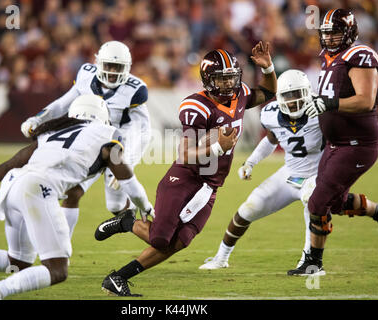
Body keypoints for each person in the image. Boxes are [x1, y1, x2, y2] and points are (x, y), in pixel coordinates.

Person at [94, 43, 278, 296]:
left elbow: (268, 93)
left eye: (231, 78)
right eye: (221, 80)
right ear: (207, 80)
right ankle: (128, 223)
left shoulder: (240, 95)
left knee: (182, 240)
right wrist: (216, 149)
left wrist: (268, 67)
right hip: (184, 179)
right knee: (160, 239)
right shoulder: (196, 107)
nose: (228, 85)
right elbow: (185, 155)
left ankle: (117, 278)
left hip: (211, 185)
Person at [0, 95, 154, 300]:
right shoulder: (107, 133)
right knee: (57, 270)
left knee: (18, 261)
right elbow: (128, 180)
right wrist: (144, 207)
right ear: (102, 116)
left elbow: (8, 165)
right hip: (37, 189)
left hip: (13, 185)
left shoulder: (51, 134)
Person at [288, 9, 378, 276]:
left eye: (336, 33)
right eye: (327, 33)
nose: (330, 38)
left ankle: (314, 263)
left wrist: (328, 103)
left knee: (317, 202)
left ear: (350, 33)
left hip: (358, 142)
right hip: (336, 143)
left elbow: (365, 101)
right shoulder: (328, 58)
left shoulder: (360, 55)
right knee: (334, 202)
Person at [20, 40, 151, 239]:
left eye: (118, 67)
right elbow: (63, 103)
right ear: (98, 63)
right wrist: (38, 118)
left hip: (115, 144)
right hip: (87, 142)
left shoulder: (135, 90)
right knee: (72, 192)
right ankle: (62, 249)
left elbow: (140, 132)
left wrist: (127, 160)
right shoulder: (86, 75)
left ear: (127, 68)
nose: (113, 71)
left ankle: (151, 231)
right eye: (109, 65)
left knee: (115, 206)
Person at [199, 69, 322, 271]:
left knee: (312, 201)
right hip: (289, 173)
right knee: (249, 208)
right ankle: (221, 258)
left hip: (317, 174)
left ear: (308, 92)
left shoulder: (321, 112)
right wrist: (250, 162)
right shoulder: (271, 114)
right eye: (288, 96)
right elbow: (271, 139)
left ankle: (310, 262)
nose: (293, 101)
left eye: (298, 94)